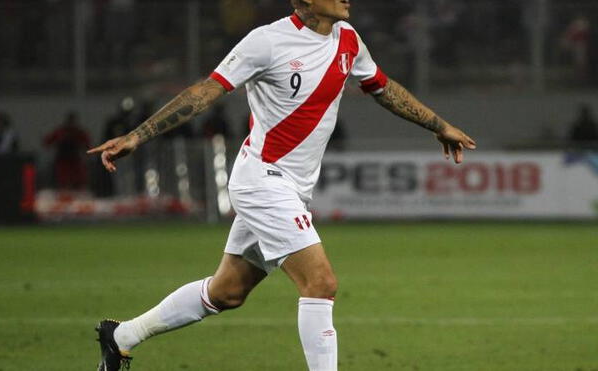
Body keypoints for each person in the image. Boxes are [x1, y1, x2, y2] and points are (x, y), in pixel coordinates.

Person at [88, 1, 476, 370]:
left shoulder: (349, 39)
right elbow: (207, 90)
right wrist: (137, 136)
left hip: (291, 188)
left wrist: (439, 126)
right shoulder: (266, 41)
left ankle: (121, 335)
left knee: (226, 292)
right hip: (262, 180)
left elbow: (383, 87)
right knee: (320, 282)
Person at [44, 111, 91, 190]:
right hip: (62, 159)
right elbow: (48, 141)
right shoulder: (61, 131)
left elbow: (87, 143)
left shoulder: (78, 132)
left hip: (75, 158)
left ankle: (77, 189)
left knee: (78, 178)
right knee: (63, 179)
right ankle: (63, 190)